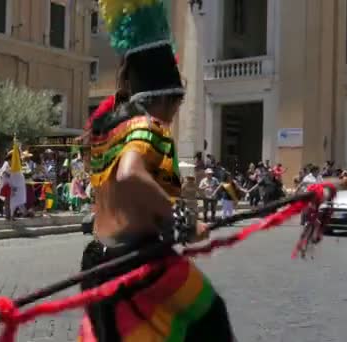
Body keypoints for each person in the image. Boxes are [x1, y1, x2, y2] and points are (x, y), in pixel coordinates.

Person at [78, 3, 235, 340]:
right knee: (210, 316)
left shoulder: (109, 133)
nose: (174, 115)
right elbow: (129, 174)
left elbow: (114, 192)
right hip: (136, 262)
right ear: (164, 98)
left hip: (96, 261)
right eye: (176, 105)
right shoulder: (148, 127)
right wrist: (183, 218)